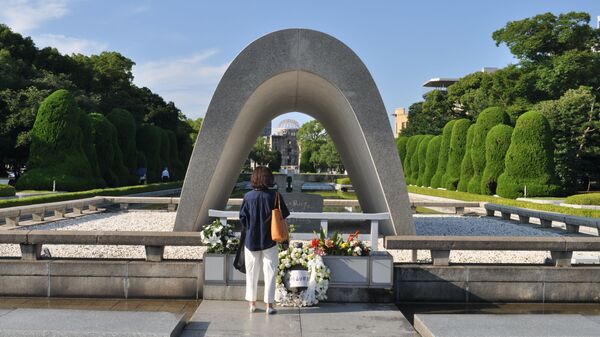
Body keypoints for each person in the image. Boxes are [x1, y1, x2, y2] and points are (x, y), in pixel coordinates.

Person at [239, 166, 289, 315]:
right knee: (270, 272)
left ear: (254, 178)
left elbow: (242, 218)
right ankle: (269, 305)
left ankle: (252, 304)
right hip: (270, 239)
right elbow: (284, 215)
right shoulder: (275, 196)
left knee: (252, 272)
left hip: (251, 240)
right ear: (269, 179)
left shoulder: (248, 197)